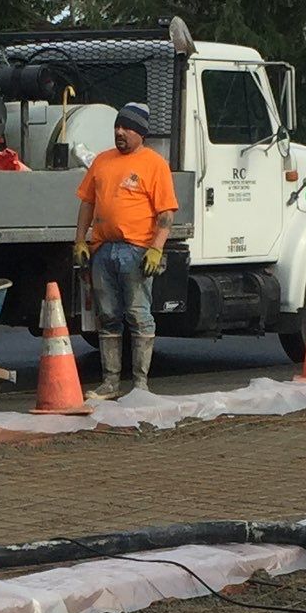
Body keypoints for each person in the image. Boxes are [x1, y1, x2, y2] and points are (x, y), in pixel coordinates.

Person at [75, 100, 178, 397]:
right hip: (104, 250)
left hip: (136, 252)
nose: (120, 132)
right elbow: (87, 203)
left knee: (138, 314)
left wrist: (156, 248)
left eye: (127, 128)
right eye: (117, 126)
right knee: (107, 315)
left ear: (140, 133)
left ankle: (140, 385)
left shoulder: (154, 164)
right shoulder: (102, 161)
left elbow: (166, 214)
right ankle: (110, 383)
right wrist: (81, 240)